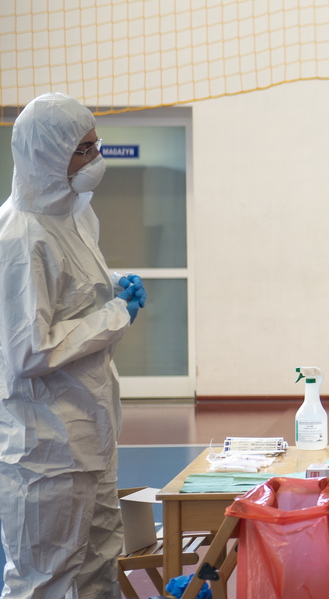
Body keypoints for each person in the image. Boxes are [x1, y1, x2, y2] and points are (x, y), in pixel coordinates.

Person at [0, 92, 146, 598]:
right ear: (47, 155)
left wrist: (112, 290)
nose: (95, 160)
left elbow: (76, 299)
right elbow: (27, 352)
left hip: (92, 434)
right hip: (46, 450)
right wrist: (115, 315)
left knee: (100, 565)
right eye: (82, 149)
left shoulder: (77, 215)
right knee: (46, 580)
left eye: (95, 145)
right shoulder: (20, 238)